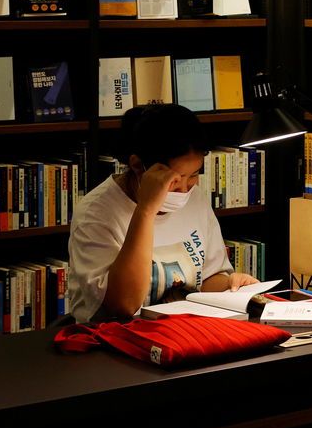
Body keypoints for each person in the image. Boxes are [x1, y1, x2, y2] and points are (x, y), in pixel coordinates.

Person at [67, 104, 258, 322]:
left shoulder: (195, 199)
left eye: (194, 175)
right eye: (175, 179)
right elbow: (124, 306)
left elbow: (206, 279)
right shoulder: (96, 213)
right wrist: (146, 210)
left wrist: (231, 284)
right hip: (115, 338)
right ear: (138, 166)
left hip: (184, 331)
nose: (185, 189)